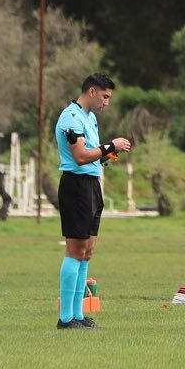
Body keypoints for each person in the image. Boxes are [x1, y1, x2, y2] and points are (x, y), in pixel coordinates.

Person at [53, 73, 132, 329]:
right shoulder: (70, 117)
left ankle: (78, 315)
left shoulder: (91, 118)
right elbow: (80, 156)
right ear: (91, 92)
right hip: (76, 186)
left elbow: (95, 157)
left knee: (87, 252)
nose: (107, 102)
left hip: (92, 185)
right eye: (105, 96)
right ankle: (66, 318)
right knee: (75, 250)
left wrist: (109, 153)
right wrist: (110, 145)